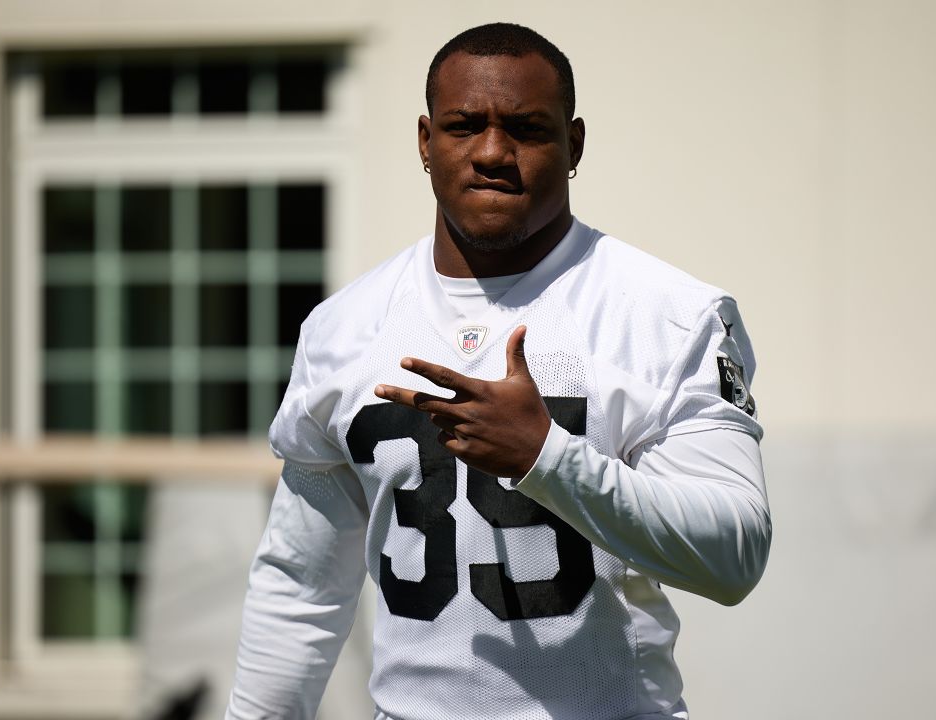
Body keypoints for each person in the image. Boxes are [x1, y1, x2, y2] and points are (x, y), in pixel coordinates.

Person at [226, 22, 771, 720]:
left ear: (573, 144)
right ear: (425, 142)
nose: (491, 151)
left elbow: (734, 557)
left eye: (525, 128)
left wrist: (547, 456)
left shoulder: (671, 315)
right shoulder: (344, 326)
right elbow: (301, 584)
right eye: (463, 126)